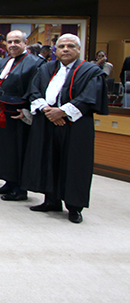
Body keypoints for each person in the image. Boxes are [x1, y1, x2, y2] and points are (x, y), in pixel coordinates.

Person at [21, 35, 108, 223]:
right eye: (61, 46)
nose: (65, 49)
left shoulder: (91, 71)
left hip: (76, 125)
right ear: (56, 50)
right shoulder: (46, 68)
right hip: (47, 122)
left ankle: (74, 207)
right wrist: (47, 109)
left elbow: (89, 96)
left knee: (74, 164)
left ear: (79, 49)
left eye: (70, 46)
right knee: (48, 159)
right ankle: (51, 200)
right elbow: (34, 90)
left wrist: (62, 112)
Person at [0, 30, 44, 201]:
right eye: (10, 42)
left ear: (25, 43)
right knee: (5, 149)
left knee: (19, 150)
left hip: (20, 114)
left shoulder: (35, 63)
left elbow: (34, 88)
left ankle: (20, 188)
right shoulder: (6, 61)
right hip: (3, 112)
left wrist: (26, 110)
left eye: (17, 42)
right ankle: (9, 182)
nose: (12, 45)